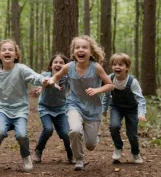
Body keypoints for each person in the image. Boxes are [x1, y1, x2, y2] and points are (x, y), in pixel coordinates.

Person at [0, 39, 48, 172]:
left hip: (20, 110)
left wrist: (43, 80)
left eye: (10, 50)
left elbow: (34, 76)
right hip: (3, 109)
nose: (7, 51)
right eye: (4, 50)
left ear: (16, 55)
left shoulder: (21, 69)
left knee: (21, 135)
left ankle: (26, 156)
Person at [47, 35, 114, 171]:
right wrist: (51, 81)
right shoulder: (69, 67)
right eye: (77, 47)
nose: (80, 50)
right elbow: (56, 76)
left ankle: (92, 139)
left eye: (84, 47)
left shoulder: (96, 68)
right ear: (73, 52)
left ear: (91, 52)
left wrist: (97, 90)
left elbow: (110, 85)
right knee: (75, 130)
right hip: (74, 104)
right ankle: (79, 159)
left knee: (90, 145)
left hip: (93, 108)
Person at [101, 53, 146, 164]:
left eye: (120, 64)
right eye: (114, 64)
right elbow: (106, 95)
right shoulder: (110, 78)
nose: (117, 67)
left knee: (132, 134)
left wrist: (141, 113)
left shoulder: (132, 82)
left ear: (127, 67)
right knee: (114, 126)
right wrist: (104, 109)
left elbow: (141, 99)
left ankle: (135, 153)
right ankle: (118, 147)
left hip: (132, 109)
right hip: (116, 107)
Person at [32, 54, 74, 164]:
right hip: (45, 108)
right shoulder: (45, 75)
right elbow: (41, 82)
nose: (58, 64)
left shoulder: (67, 78)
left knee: (66, 133)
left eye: (61, 63)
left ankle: (71, 155)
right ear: (51, 66)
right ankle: (38, 151)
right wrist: (40, 88)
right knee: (48, 129)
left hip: (61, 109)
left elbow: (76, 85)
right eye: (55, 62)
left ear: (65, 66)